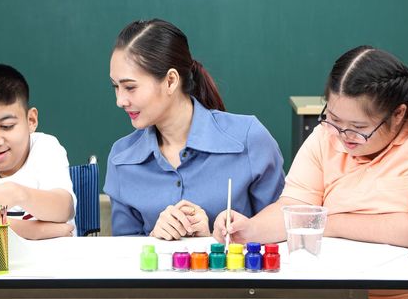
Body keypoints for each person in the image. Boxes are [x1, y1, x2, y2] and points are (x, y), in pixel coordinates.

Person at [213, 46, 408, 298]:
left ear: (398, 114)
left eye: (359, 129)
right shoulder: (328, 135)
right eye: (334, 119)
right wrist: (249, 230)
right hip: (347, 289)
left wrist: (325, 223)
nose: (343, 136)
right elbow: (294, 207)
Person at [104, 19, 285, 240]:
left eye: (130, 87)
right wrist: (153, 238)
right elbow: (124, 256)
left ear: (170, 81)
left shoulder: (249, 139)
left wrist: (212, 239)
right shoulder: (122, 159)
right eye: (116, 87)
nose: (120, 100)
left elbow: (281, 234)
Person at [0, 64, 76, 240]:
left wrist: (15, 193)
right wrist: (43, 231)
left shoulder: (46, 147)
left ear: (31, 120)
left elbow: (64, 209)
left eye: (6, 126)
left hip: (52, 262)